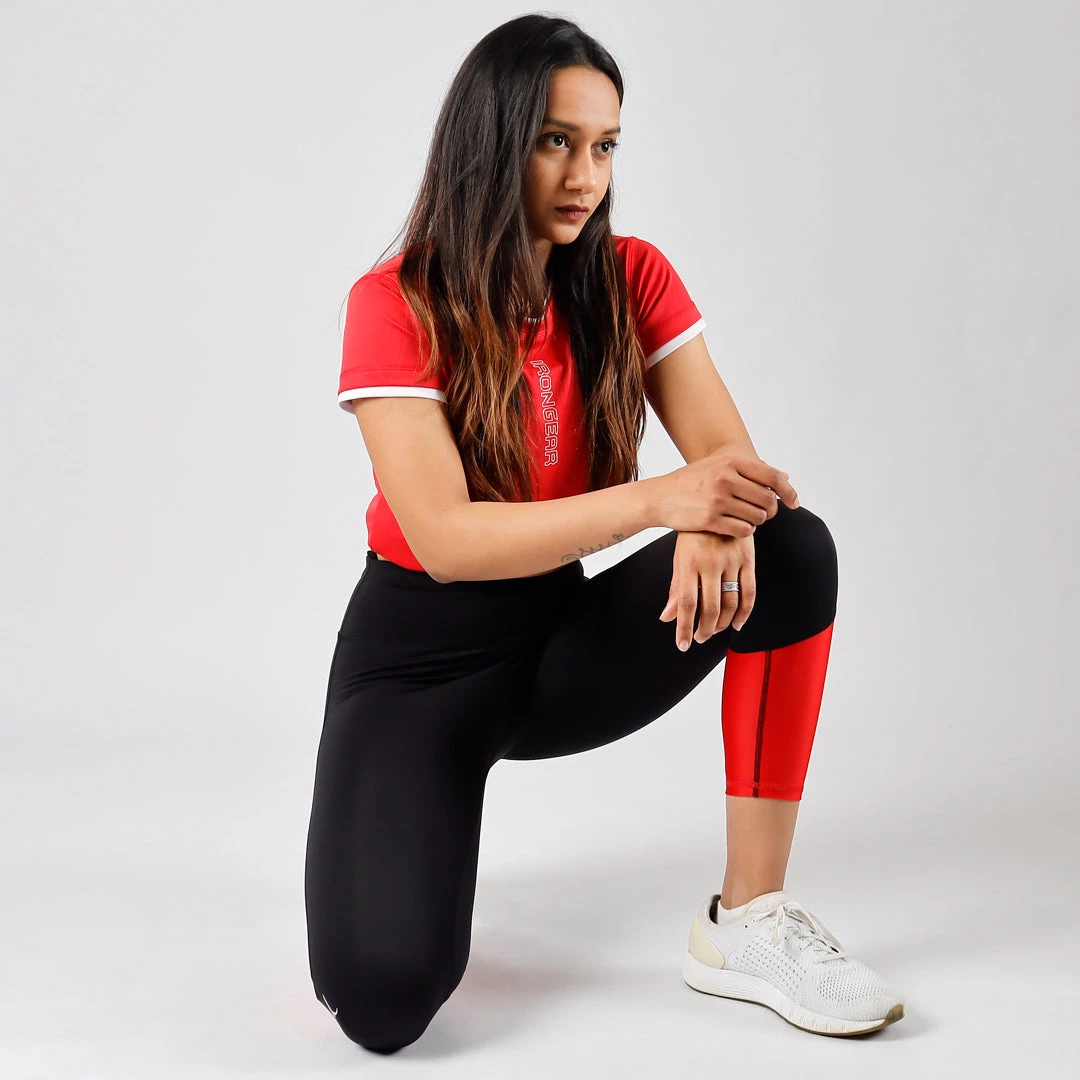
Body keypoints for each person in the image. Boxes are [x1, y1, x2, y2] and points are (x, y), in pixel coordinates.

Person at [304, 12, 905, 1056]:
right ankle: (412, 838)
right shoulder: (395, 301)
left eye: (605, 145)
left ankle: (749, 918)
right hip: (418, 666)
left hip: (560, 646)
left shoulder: (631, 278)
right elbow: (444, 538)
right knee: (383, 1004)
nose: (586, 175)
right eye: (555, 141)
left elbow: (733, 469)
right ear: (490, 143)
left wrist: (719, 516)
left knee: (790, 549)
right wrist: (665, 503)